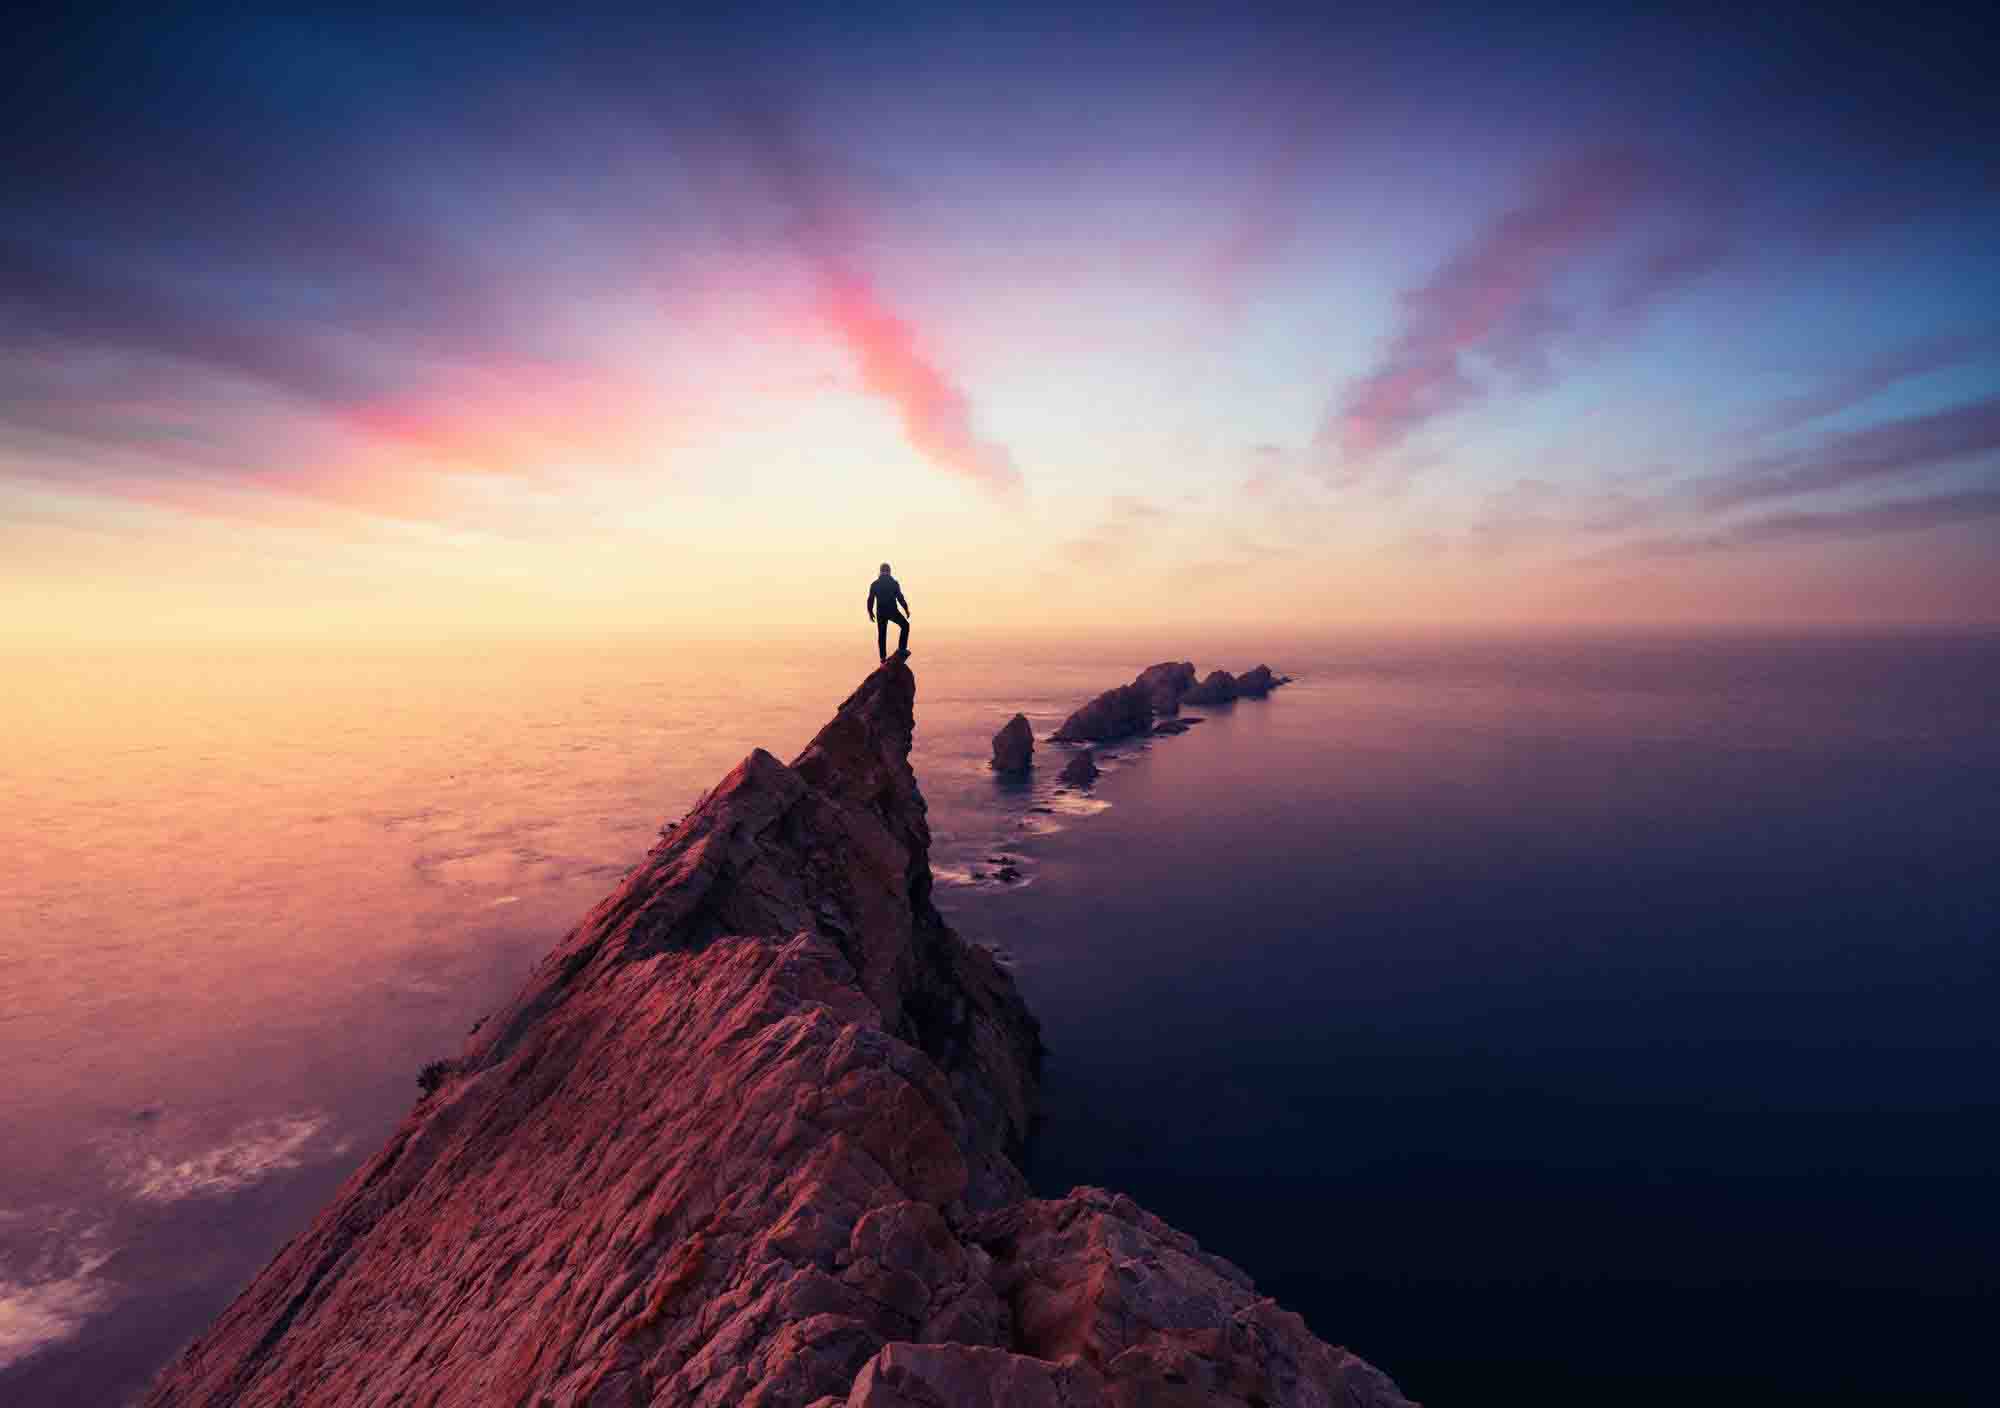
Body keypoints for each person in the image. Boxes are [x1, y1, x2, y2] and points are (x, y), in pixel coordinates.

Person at [867, 562, 910, 661]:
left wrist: (870, 612)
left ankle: (882, 658)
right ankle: (902, 649)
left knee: (882, 634)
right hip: (892, 611)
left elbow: (870, 599)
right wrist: (906, 609)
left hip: (881, 612)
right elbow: (900, 597)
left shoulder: (875, 584)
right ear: (889, 571)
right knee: (905, 625)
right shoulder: (893, 583)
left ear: (880, 572)